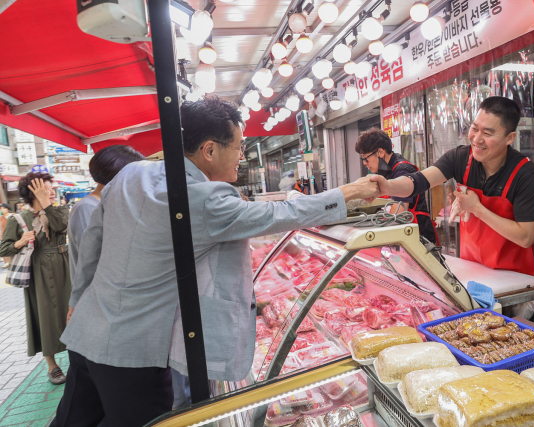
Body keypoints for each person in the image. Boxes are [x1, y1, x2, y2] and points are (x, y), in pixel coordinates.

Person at [51, 97, 378, 427]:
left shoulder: (130, 174)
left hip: (87, 330)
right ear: (209, 150)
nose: (241, 156)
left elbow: (92, 242)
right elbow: (279, 214)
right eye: (238, 147)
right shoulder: (204, 197)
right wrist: (347, 192)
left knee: (72, 420)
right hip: (134, 352)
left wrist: (77, 300)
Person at [371, 96, 534, 275]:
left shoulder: (526, 175)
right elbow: (418, 181)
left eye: (488, 133)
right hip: (471, 267)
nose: (477, 139)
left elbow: (526, 237)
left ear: (510, 138)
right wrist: (386, 186)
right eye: (474, 128)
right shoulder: (460, 158)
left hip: (514, 276)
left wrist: (477, 209)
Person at [0, 174, 71, 384]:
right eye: (45, 188)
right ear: (32, 192)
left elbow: (61, 226)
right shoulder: (18, 218)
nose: (50, 191)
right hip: (37, 271)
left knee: (72, 310)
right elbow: (3, 248)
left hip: (65, 264)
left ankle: (79, 359)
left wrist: (47, 203)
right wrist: (20, 242)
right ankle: (52, 366)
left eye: (50, 188)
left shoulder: (59, 210)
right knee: (44, 315)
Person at [66, 145, 145, 323]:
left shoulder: (111, 203)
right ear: (119, 175)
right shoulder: (87, 207)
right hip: (95, 299)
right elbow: (92, 258)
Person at [355, 128, 437, 244]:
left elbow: (399, 214)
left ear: (380, 153)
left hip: (419, 237)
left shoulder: (402, 171)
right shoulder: (386, 170)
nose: (364, 163)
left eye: (365, 158)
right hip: (404, 235)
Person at [0, 203, 14, 268]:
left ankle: (13, 261)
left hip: (13, 235)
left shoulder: (13, 215)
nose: (2, 210)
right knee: (4, 249)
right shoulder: (1, 218)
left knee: (13, 248)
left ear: (8, 209)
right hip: (3, 235)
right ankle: (7, 262)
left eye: (4, 208)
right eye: (1, 209)